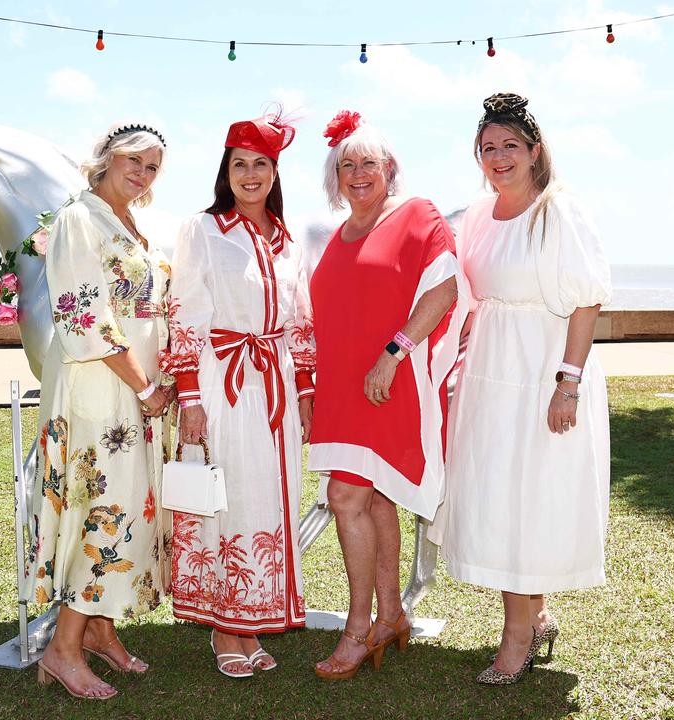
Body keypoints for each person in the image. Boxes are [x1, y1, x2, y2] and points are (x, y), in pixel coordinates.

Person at [427, 92, 613, 685]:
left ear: (535, 151)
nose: (499, 157)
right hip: (490, 368)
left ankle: (517, 636)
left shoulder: (558, 211)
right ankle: (535, 618)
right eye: (488, 148)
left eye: (510, 145)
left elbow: (586, 300)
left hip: (543, 366)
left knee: (531, 496)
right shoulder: (479, 215)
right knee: (500, 492)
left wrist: (568, 383)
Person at [307, 110, 465, 680]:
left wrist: (394, 352)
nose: (357, 172)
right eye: (345, 164)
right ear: (334, 176)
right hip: (342, 389)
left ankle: (355, 630)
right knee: (372, 501)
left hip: (386, 381)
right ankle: (392, 615)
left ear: (389, 168)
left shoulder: (416, 215)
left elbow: (444, 289)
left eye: (367, 162)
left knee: (345, 497)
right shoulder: (334, 236)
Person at [160, 113, 314, 678]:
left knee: (266, 498)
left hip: (272, 382)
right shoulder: (203, 230)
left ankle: (250, 620)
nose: (251, 175)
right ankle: (224, 627)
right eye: (240, 164)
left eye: (262, 164)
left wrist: (304, 387)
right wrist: (190, 397)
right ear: (226, 171)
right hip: (222, 380)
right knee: (225, 496)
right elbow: (186, 311)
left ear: (276, 172)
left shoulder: (288, 239)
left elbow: (300, 318)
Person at [24, 123, 174, 700]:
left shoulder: (132, 225)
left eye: (153, 166)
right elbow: (85, 317)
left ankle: (99, 632)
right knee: (101, 507)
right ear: (107, 158)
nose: (142, 172)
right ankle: (62, 649)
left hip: (133, 388)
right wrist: (143, 388)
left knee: (128, 501)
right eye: (134, 160)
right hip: (100, 388)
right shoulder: (78, 219)